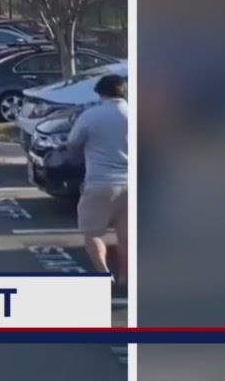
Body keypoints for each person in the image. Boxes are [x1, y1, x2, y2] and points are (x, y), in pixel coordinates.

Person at [66, 74, 129, 291]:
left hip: (100, 182)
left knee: (92, 232)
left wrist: (76, 158)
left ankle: (104, 273)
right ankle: (125, 277)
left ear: (101, 93)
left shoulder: (91, 115)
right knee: (127, 236)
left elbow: (73, 142)